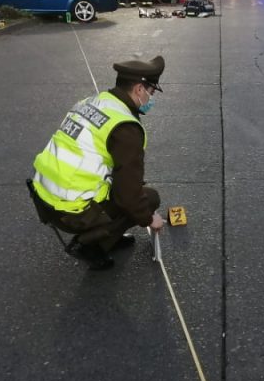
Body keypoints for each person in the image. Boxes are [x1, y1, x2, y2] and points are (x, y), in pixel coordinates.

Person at [29, 57, 167, 269]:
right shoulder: (125, 128)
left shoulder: (92, 102)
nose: (152, 98)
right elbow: (129, 198)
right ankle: (90, 245)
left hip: (44, 198)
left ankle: (109, 235)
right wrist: (149, 219)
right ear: (139, 89)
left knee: (131, 187)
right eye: (152, 91)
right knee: (148, 198)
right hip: (70, 211)